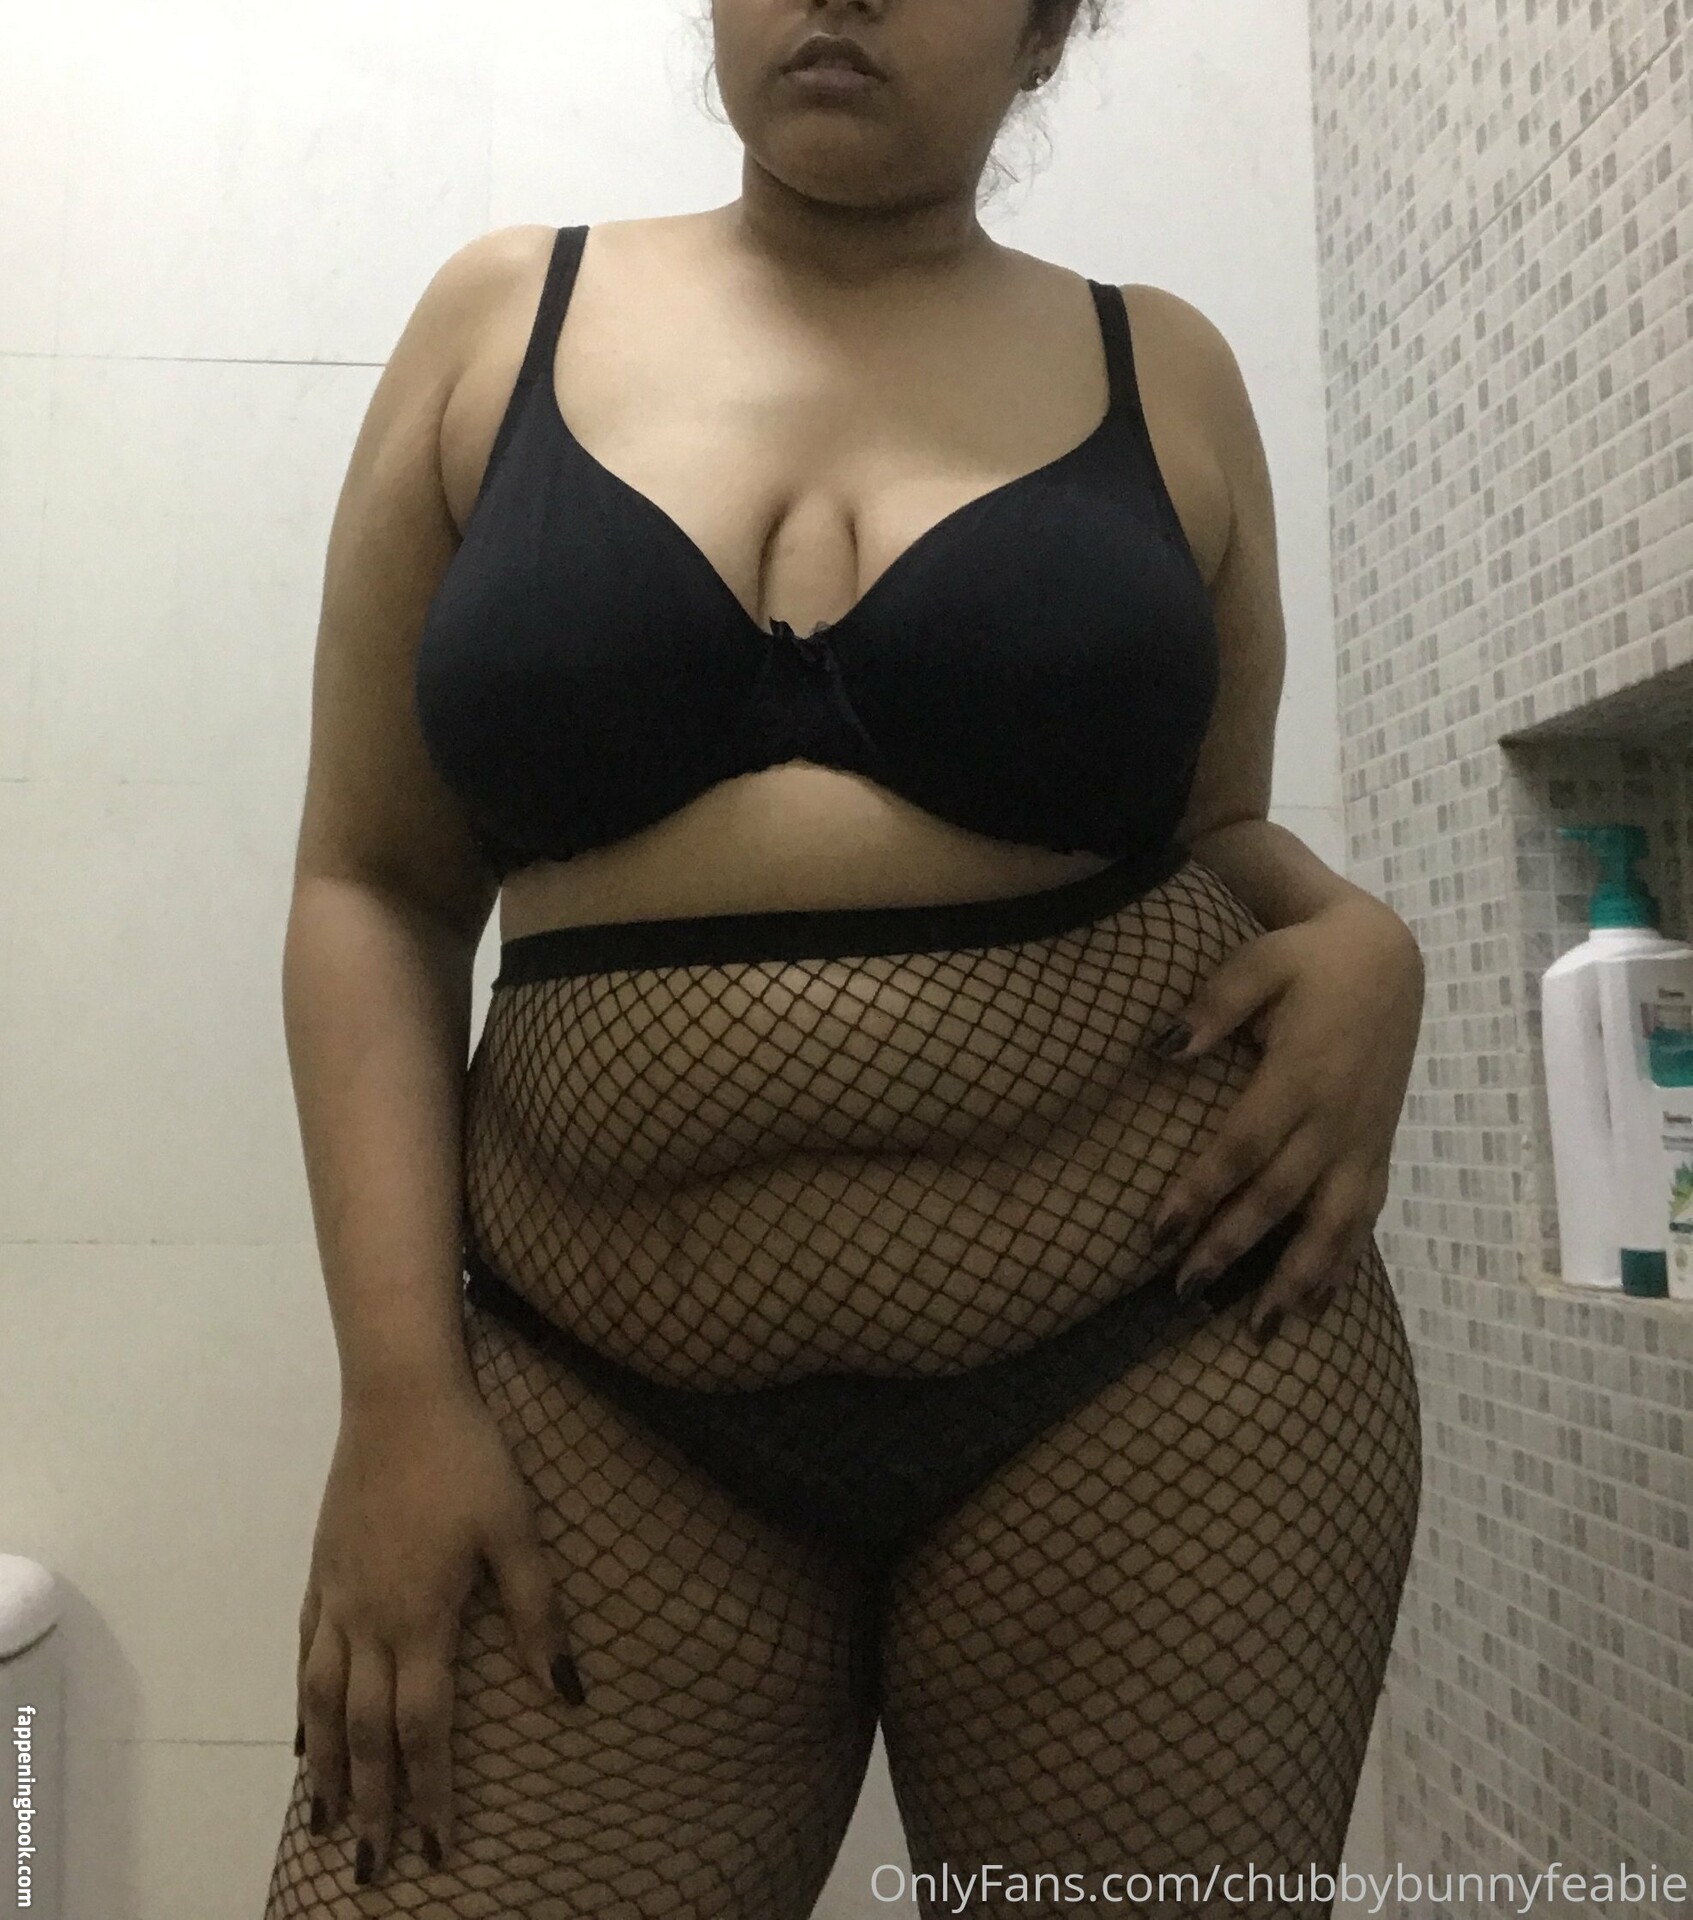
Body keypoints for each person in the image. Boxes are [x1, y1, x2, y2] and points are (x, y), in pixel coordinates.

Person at [264, 1, 1426, 1913]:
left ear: (1046, 29)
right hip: (584, 1397)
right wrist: (397, 1397)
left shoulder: (1163, 365)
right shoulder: (499, 318)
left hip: (1161, 1377)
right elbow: (372, 887)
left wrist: (1362, 941)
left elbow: (1214, 829)